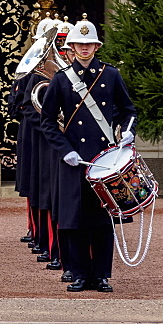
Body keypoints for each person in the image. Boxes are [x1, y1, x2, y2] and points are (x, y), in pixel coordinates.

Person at [40, 18, 137, 293]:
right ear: (72, 47)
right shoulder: (61, 80)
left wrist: (128, 132)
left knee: (103, 218)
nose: (84, 48)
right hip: (73, 160)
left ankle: (102, 274)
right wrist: (65, 150)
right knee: (75, 219)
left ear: (96, 46)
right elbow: (47, 121)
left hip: (104, 157)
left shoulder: (111, 75)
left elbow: (128, 110)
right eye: (79, 44)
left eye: (89, 44)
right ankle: (79, 273)